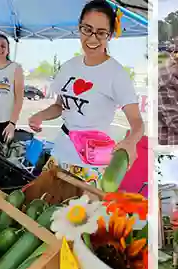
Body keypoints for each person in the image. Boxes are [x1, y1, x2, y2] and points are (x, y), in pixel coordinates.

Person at [30, 0, 145, 185]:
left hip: (92, 159)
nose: (92, 38)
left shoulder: (116, 74)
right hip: (61, 150)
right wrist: (40, 115)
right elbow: (60, 106)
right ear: (79, 28)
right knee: (46, 202)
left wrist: (131, 141)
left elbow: (137, 122)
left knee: (77, 212)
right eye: (87, 29)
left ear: (111, 34)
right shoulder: (69, 67)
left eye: (101, 33)